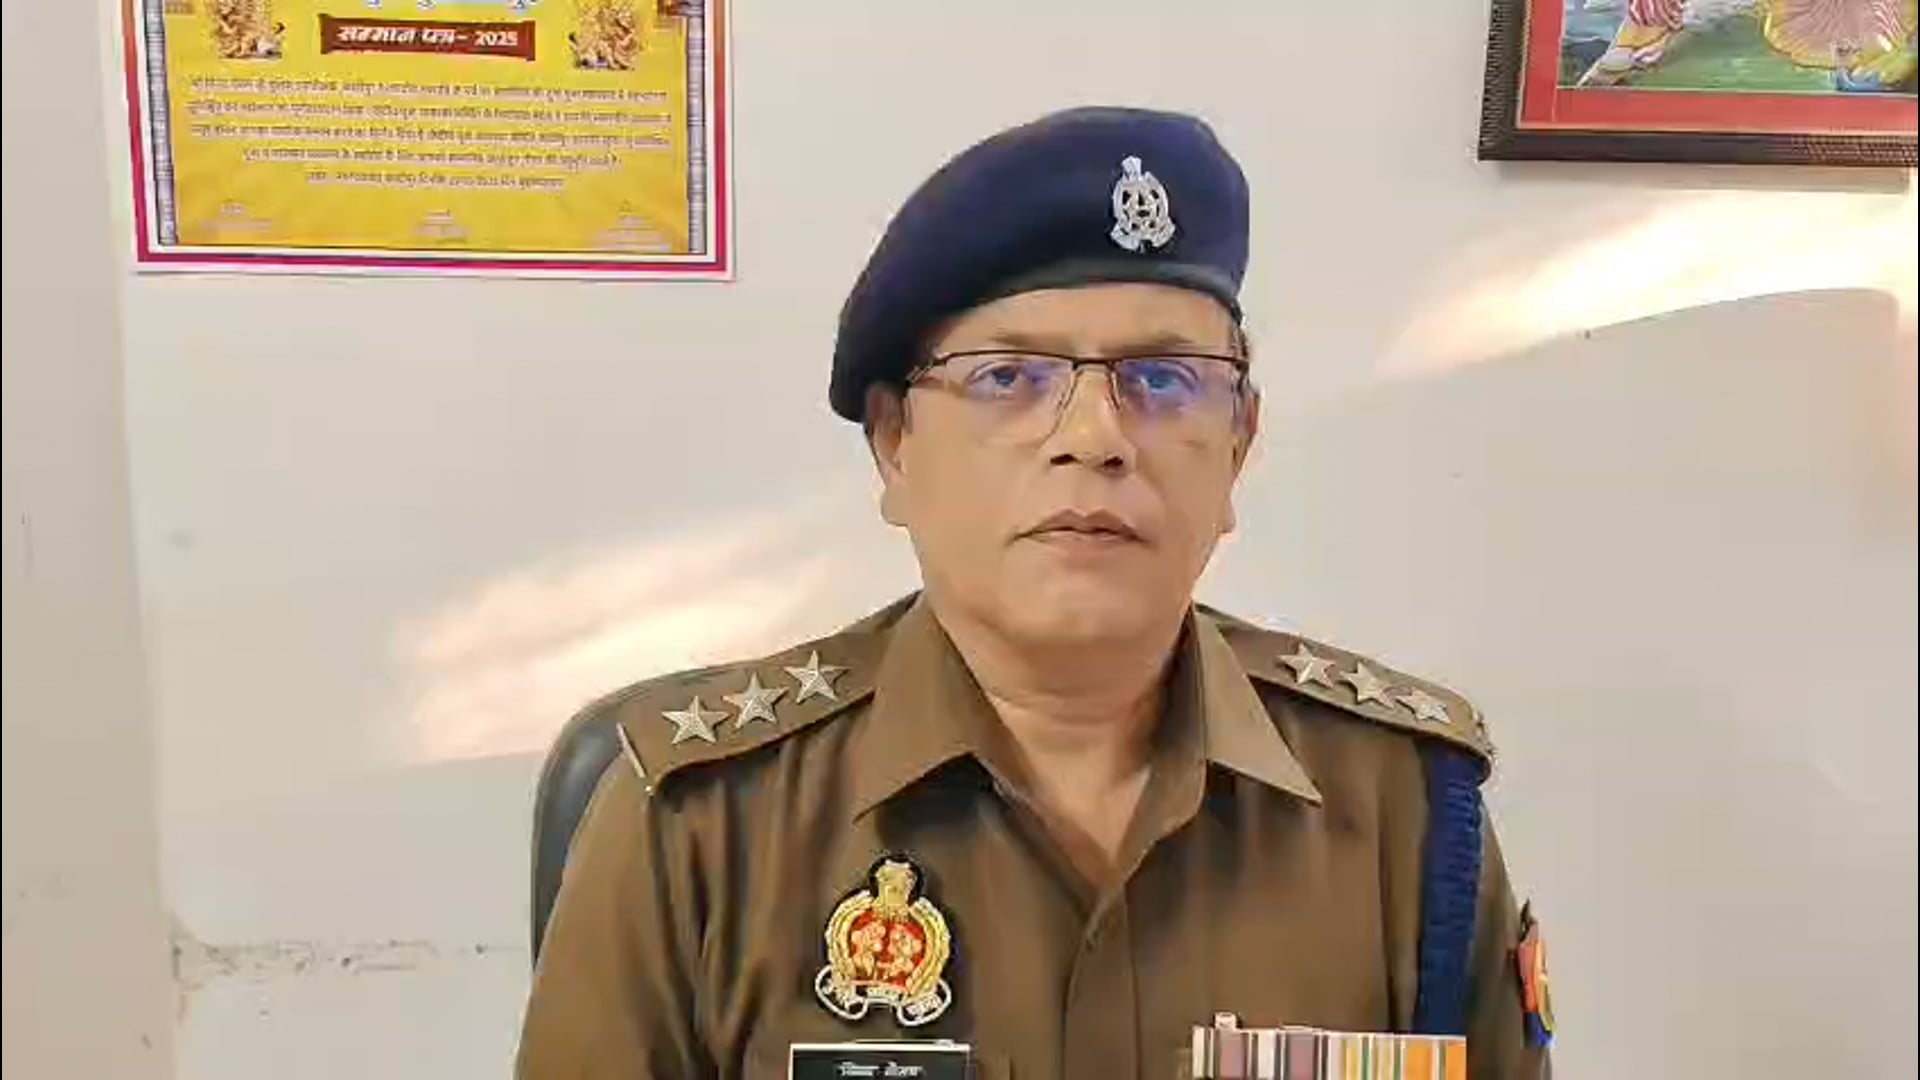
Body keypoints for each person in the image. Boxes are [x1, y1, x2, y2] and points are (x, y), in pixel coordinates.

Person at [516, 106, 1552, 1079]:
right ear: (895, 446)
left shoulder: (1407, 803)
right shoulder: (700, 822)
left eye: (1163, 379)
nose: (1096, 439)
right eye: (1009, 378)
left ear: (1237, 445)